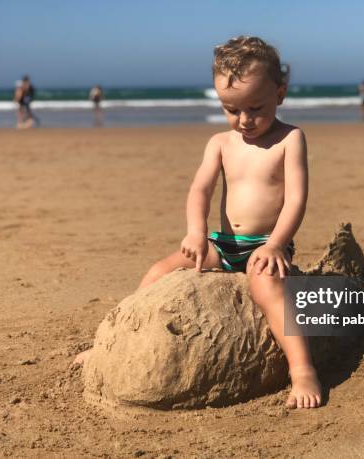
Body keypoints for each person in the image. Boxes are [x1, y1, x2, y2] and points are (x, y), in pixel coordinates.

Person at [74, 36, 322, 409]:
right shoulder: (220, 143)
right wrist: (196, 232)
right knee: (158, 271)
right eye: (231, 109)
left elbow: (297, 199)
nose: (244, 119)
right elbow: (200, 190)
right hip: (222, 245)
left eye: (255, 108)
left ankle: (302, 370)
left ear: (281, 93)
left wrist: (275, 245)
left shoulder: (290, 139)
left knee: (267, 291)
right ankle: (108, 344)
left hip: (266, 245)